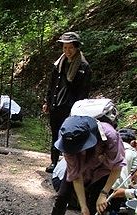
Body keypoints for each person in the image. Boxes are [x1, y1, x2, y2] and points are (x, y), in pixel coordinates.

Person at [37, 115, 126, 215]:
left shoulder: (110, 136)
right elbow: (75, 176)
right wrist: (82, 207)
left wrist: (104, 193)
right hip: (80, 170)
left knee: (97, 207)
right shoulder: (66, 136)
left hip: (102, 172)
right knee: (62, 195)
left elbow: (117, 167)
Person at [42, 32, 92, 173]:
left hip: (71, 108)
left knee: (69, 136)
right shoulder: (59, 63)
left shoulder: (83, 67)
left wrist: (78, 111)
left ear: (76, 47)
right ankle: (53, 162)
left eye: (70, 48)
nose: (67, 51)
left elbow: (84, 92)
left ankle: (69, 166)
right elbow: (52, 85)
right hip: (56, 105)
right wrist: (47, 101)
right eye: (65, 47)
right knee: (55, 134)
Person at [108, 128, 137, 215]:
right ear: (132, 142)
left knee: (104, 200)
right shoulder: (133, 153)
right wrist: (136, 182)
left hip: (107, 181)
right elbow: (134, 173)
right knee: (115, 203)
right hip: (121, 185)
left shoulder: (112, 148)